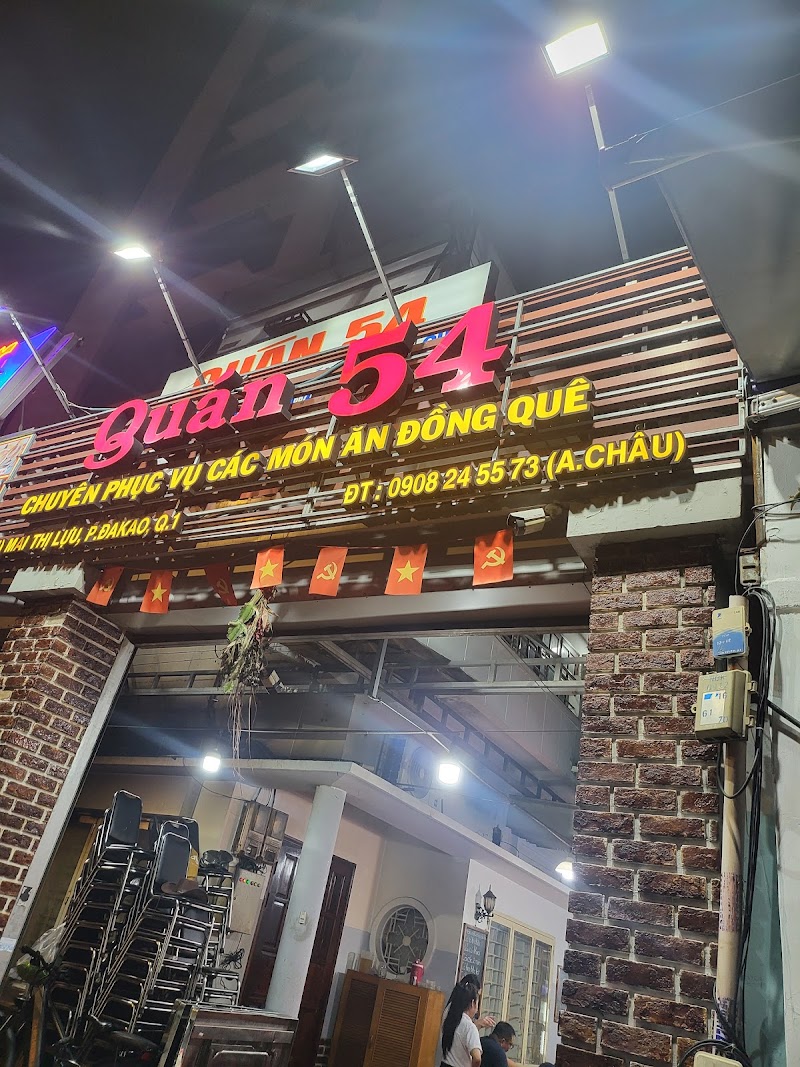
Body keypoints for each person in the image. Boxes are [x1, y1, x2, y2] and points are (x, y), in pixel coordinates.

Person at [440, 984, 482, 1067]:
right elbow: (477, 1058)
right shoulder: (470, 1027)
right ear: (472, 1003)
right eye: (477, 1003)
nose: (477, 1009)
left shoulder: (448, 1019)